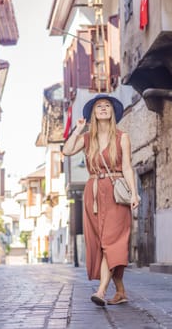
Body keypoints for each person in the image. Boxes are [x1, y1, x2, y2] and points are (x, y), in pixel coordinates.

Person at [62, 94, 139, 306]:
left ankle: (101, 291)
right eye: (99, 107)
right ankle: (120, 291)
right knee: (101, 244)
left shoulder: (122, 137)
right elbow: (66, 151)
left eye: (107, 106)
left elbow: (126, 167)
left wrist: (134, 193)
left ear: (112, 112)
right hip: (93, 194)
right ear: (93, 114)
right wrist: (78, 128)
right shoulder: (87, 139)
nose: (103, 109)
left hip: (115, 193)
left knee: (111, 242)